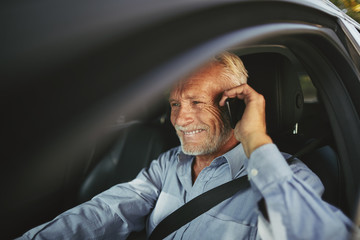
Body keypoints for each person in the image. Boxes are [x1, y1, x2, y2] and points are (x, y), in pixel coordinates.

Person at [18, 52, 354, 239]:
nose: (179, 120)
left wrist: (256, 141)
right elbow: (107, 211)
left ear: (233, 105)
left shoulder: (291, 178)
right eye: (176, 104)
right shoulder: (168, 164)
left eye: (196, 102)